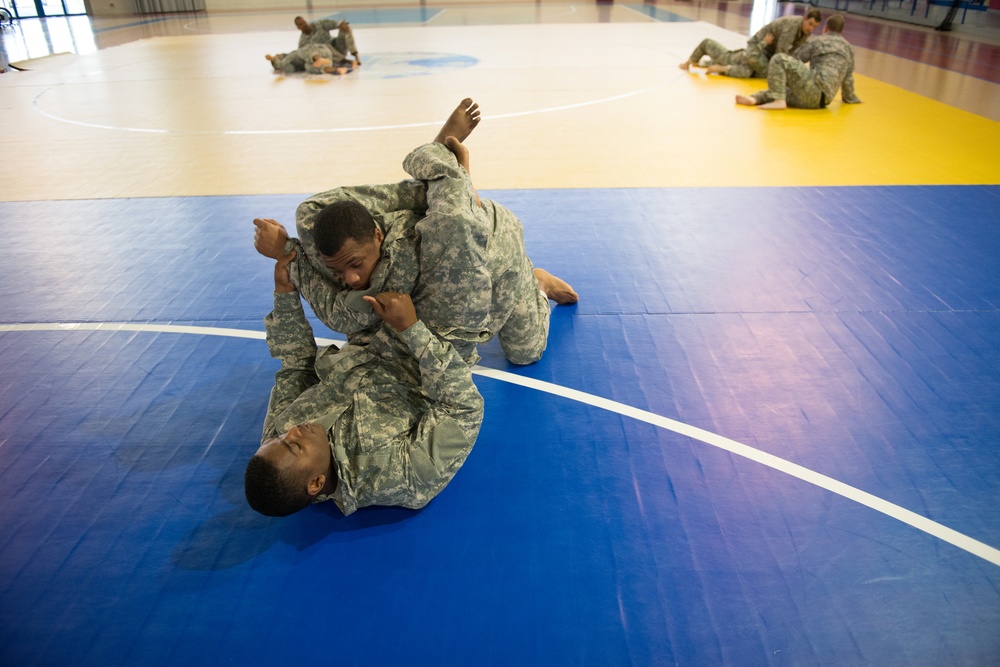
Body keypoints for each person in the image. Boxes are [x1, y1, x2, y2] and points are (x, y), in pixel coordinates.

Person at [244, 103, 494, 518]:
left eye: (279, 436)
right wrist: (414, 331)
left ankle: (426, 193)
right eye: (293, 444)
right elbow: (464, 407)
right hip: (440, 338)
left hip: (369, 326)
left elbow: (294, 366)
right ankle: (447, 172)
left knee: (312, 215)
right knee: (455, 230)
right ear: (316, 483)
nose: (290, 431)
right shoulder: (399, 477)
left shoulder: (278, 438)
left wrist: (285, 291)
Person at [253, 100, 578, 367]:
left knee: (525, 353)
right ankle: (447, 170)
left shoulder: (428, 260)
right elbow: (314, 217)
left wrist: (286, 255)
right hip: (453, 219)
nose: (350, 278)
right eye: (341, 270)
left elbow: (451, 361)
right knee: (325, 231)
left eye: (354, 264)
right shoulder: (374, 245)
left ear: (378, 236)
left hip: (495, 250)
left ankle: (536, 281)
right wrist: (290, 248)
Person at [736, 15, 861, 110]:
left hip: (812, 90)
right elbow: (848, 78)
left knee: (779, 59)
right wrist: (850, 98)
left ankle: (778, 101)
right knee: (782, 91)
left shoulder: (819, 41)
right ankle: (754, 98)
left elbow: (797, 58)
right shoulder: (849, 49)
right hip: (822, 101)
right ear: (841, 31)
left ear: (826, 28)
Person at [682, 10, 822, 78]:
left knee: (749, 70)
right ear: (804, 19)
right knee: (746, 62)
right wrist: (762, 44)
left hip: (762, 53)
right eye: (809, 24)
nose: (810, 28)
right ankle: (691, 61)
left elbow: (794, 52)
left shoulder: (805, 32)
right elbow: (781, 52)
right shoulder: (791, 26)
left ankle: (717, 66)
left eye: (814, 26)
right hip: (756, 48)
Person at [265, 16, 361, 74]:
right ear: (298, 28)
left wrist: (341, 24)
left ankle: (356, 57)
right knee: (307, 59)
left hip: (338, 48)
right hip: (328, 55)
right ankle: (341, 65)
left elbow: (336, 23)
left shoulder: (320, 24)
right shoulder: (303, 41)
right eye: (301, 24)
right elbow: (298, 54)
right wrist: (281, 57)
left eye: (304, 22)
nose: (304, 25)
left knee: (345, 27)